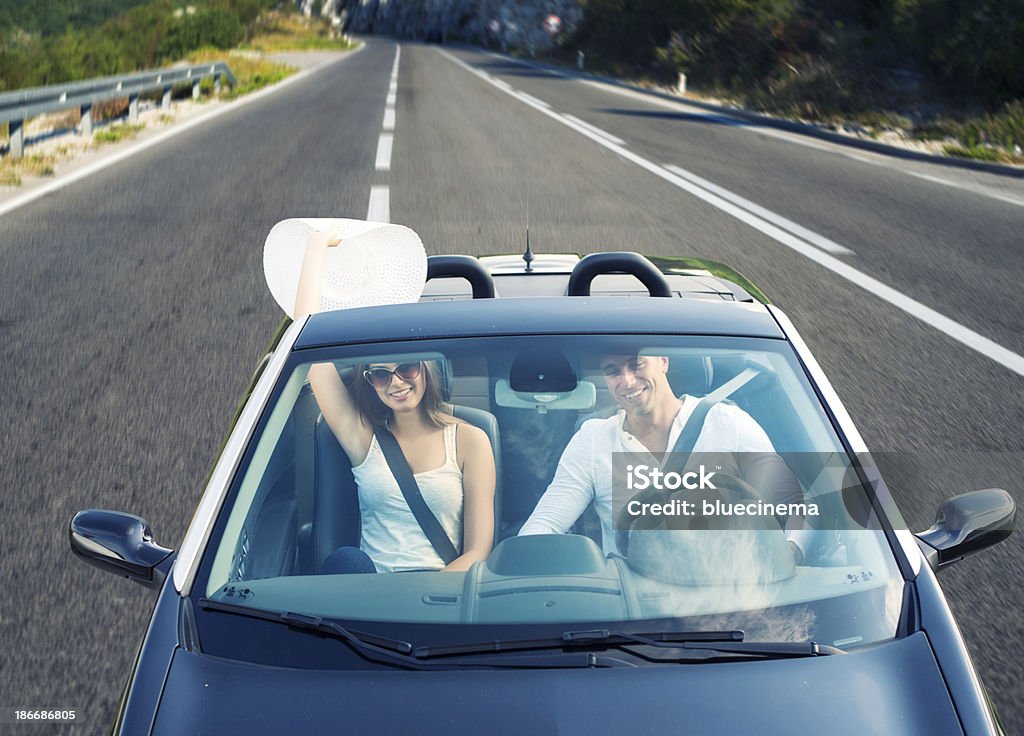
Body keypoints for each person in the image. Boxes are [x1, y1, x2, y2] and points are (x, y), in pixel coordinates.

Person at [294, 228, 495, 573]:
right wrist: (315, 248)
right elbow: (306, 338)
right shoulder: (363, 438)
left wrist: (425, 599)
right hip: (371, 594)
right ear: (369, 382)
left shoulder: (470, 439)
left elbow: (477, 552)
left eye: (407, 368)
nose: (396, 383)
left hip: (440, 593)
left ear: (427, 368)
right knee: (346, 562)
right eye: (381, 375)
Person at [519, 353, 806, 558]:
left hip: (725, 597)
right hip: (631, 607)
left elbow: (794, 507)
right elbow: (545, 525)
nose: (627, 381)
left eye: (636, 365)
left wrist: (789, 555)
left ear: (664, 361)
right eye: (613, 371)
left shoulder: (728, 423)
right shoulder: (593, 440)